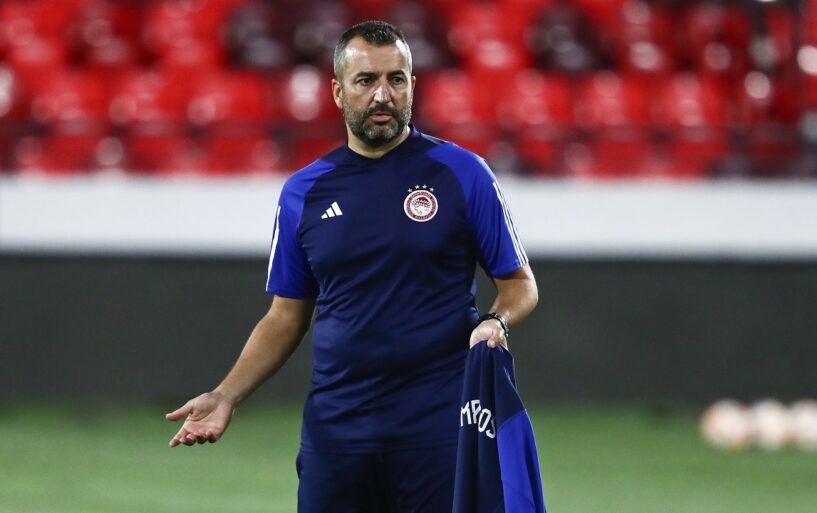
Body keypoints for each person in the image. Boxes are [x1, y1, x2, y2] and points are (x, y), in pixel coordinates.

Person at [166, 20, 538, 513]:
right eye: (366, 81)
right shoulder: (303, 192)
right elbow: (285, 316)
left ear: (412, 85)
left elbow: (520, 285)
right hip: (338, 434)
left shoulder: (463, 173)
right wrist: (226, 395)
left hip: (440, 429)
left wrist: (496, 321)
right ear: (338, 92)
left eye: (396, 79)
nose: (383, 95)